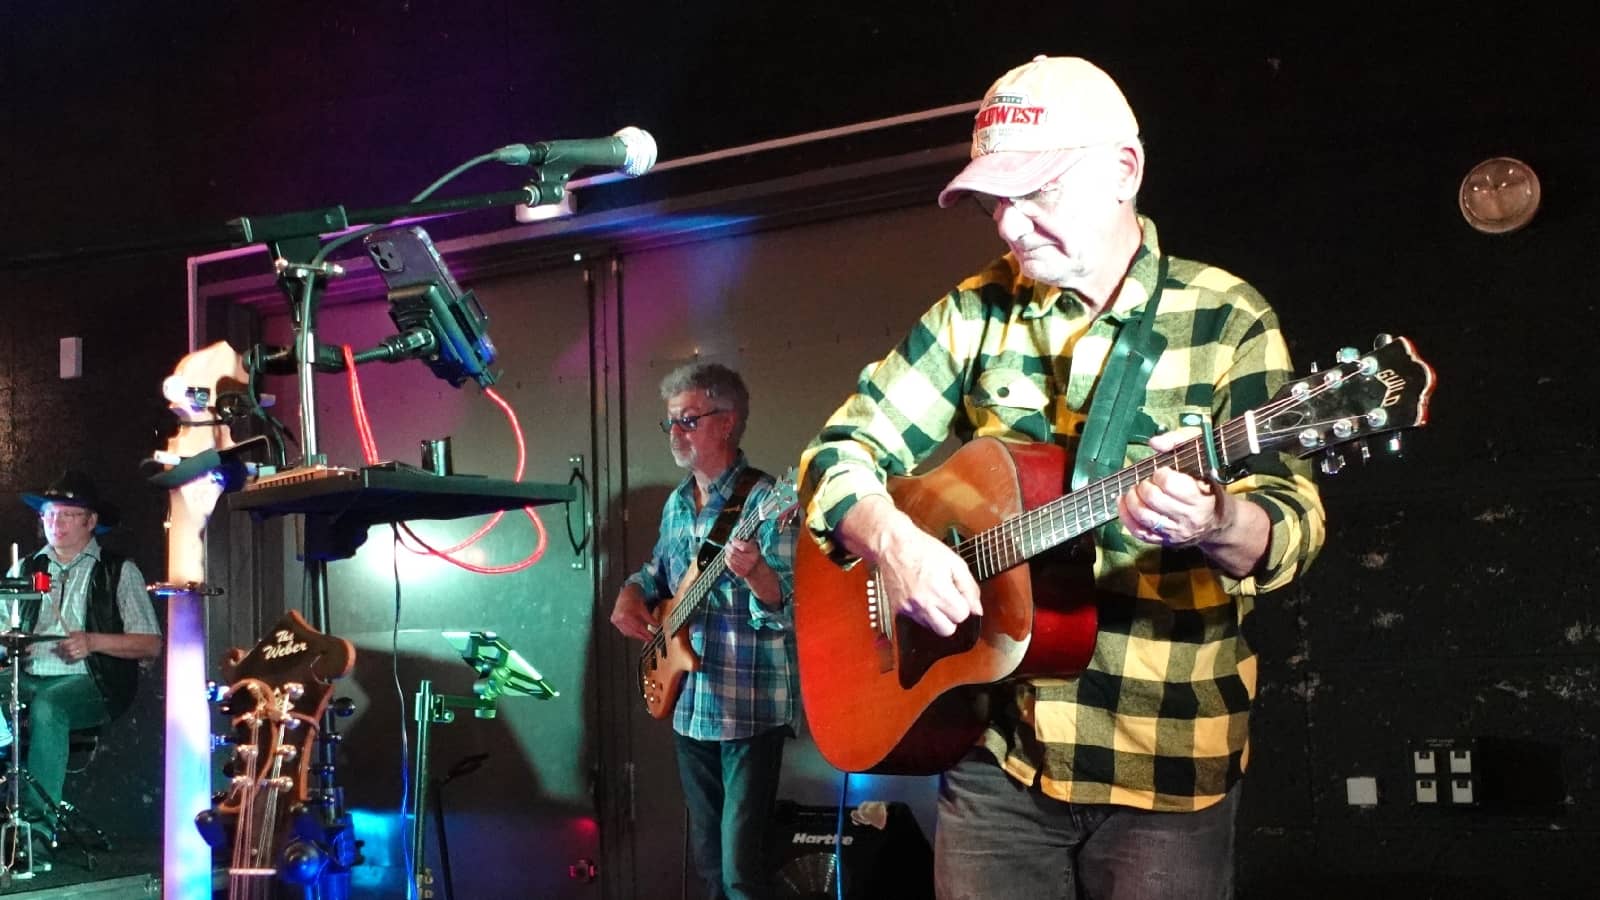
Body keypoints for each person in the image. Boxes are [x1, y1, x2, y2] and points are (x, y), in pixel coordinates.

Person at [798, 56, 1326, 899]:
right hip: (996, 750)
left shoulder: (1225, 316)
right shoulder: (973, 313)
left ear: (1125, 169)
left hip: (1165, 757)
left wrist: (1218, 520)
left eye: (1036, 192)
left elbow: (1291, 523)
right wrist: (893, 543)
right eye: (995, 201)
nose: (1008, 225)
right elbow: (835, 457)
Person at [610, 363, 797, 900]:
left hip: (748, 708)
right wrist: (630, 592)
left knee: (743, 874)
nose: (676, 433)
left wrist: (758, 575)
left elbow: (787, 607)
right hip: (691, 704)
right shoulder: (675, 503)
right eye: (670, 422)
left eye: (688, 420)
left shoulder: (767, 501)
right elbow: (659, 574)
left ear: (727, 423)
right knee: (710, 869)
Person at [3, 470, 163, 869]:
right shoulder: (23, 568)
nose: (55, 523)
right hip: (27, 676)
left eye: (67, 515)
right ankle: (12, 796)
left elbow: (151, 644)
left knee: (48, 708)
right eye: (49, 515)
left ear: (91, 521)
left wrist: (92, 641)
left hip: (91, 684)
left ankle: (36, 833)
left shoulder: (118, 571)